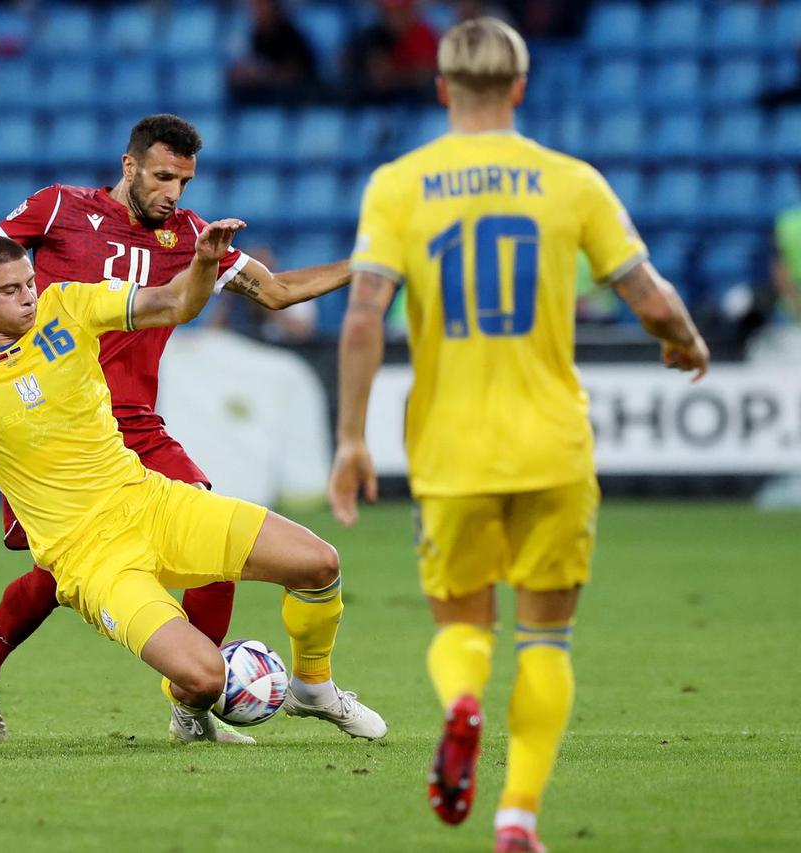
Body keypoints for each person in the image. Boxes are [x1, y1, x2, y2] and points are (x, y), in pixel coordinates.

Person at [0, 114, 368, 745]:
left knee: (211, 549)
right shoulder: (59, 207)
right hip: (54, 431)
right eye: (163, 177)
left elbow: (278, 291)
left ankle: (190, 705)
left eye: (184, 181)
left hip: (137, 426)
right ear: (130, 166)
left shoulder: (193, 236)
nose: (173, 193)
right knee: (57, 580)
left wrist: (368, 265)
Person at [0, 230, 386, 748]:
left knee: (318, 562)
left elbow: (173, 304)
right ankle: (189, 710)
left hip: (150, 502)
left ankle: (313, 687)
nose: (28, 298)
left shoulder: (70, 305)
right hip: (89, 559)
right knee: (202, 677)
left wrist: (201, 263)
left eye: (29, 283)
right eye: (10, 291)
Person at [328, 18, 708, 853]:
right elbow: (649, 295)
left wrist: (351, 438)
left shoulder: (399, 184)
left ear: (441, 90)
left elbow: (361, 318)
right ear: (521, 89)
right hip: (553, 445)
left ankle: (462, 702)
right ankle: (518, 819)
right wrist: (685, 339)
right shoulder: (571, 181)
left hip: (451, 447)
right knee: (546, 638)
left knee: (462, 628)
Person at [344, 0, 439, 104]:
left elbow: (426, 74)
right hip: (380, 103)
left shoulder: (422, 34)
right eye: (390, 12)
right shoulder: (374, 35)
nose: (395, 18)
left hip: (420, 104)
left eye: (400, 12)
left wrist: (395, 76)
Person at [227, 0, 318, 104]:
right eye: (254, 7)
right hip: (261, 102)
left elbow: (297, 74)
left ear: (273, 7)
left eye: (262, 6)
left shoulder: (290, 36)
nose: (257, 11)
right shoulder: (253, 36)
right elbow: (239, 72)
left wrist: (263, 75)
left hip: (294, 101)